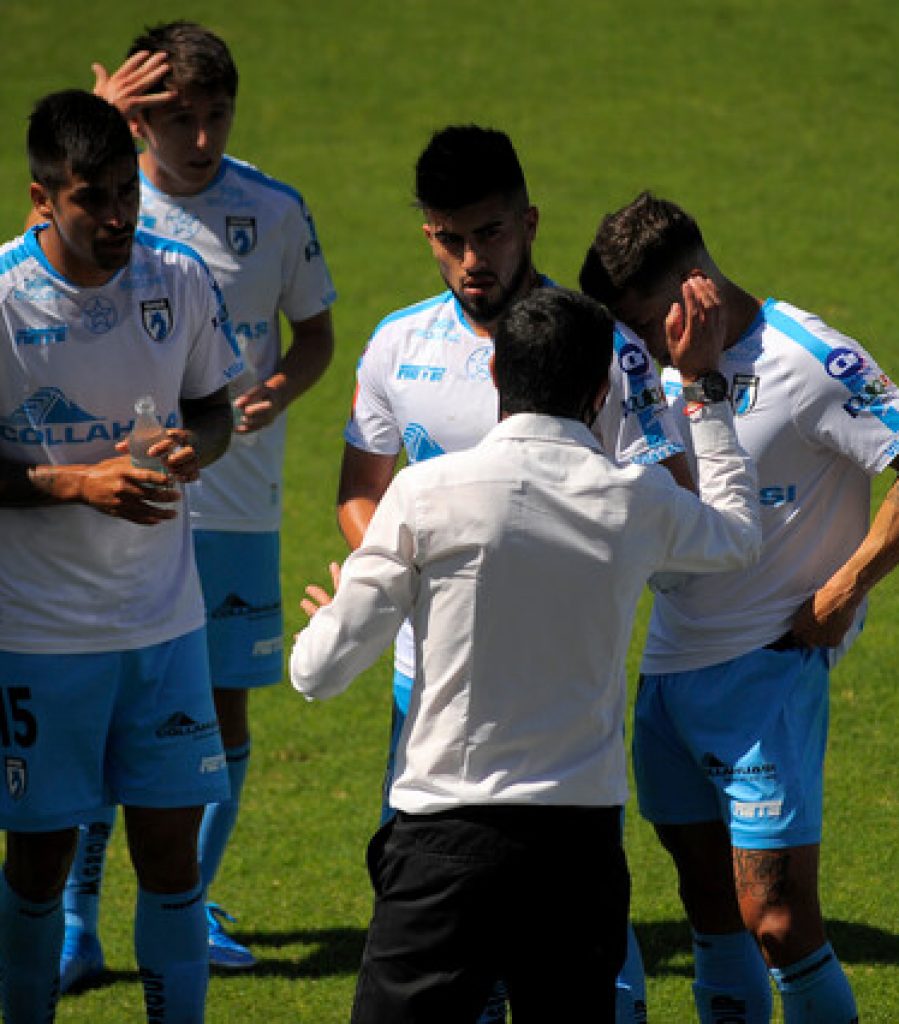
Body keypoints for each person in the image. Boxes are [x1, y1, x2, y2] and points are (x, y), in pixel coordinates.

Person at [293, 285, 761, 1023]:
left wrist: (327, 621)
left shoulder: (422, 493)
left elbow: (316, 674)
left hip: (442, 843)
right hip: (578, 856)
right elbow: (737, 534)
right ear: (601, 389)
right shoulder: (635, 500)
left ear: (494, 376)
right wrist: (703, 388)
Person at [336, 124, 686, 1024]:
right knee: (438, 933)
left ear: (528, 222)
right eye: (448, 238)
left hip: (559, 698)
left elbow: (669, 503)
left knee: (579, 952)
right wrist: (400, 576)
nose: (469, 259)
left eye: (488, 233)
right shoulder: (394, 349)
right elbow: (360, 494)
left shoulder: (602, 349)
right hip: (431, 695)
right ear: (427, 233)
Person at [579, 191, 899, 1024]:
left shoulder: (806, 358)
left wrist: (844, 589)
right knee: (709, 909)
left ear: (696, 286)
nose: (633, 346)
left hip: (768, 672)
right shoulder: (645, 364)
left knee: (778, 923)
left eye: (643, 322)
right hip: (667, 670)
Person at [54, 21, 337, 986]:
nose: (202, 139)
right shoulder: (113, 212)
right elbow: (36, 254)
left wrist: (281, 389)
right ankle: (73, 927)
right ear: (142, 124)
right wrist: (96, 121)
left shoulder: (276, 208)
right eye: (179, 119)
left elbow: (315, 336)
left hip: (237, 507)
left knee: (219, 719)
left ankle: (190, 905)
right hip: (117, 507)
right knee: (102, 718)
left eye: (217, 116)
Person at [0, 89, 237, 1022]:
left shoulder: (175, 280)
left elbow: (213, 409)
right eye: (91, 200)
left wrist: (194, 447)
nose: (116, 220)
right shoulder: (4, 303)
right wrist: (73, 482)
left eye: (126, 197)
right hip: (39, 636)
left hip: (165, 625)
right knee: (39, 861)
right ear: (44, 196)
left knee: (172, 860)